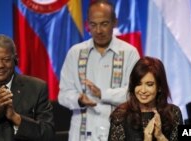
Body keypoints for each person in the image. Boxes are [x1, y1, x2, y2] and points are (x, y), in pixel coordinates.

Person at [58, 0, 140, 141]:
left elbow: (135, 94)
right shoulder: (75, 53)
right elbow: (63, 95)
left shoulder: (130, 53)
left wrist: (103, 94)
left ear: (115, 22)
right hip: (81, 135)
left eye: (104, 24)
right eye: (93, 25)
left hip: (119, 133)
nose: (98, 30)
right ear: (87, 25)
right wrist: (79, 99)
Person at [108, 56, 183, 141]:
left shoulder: (173, 113)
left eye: (149, 84)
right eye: (138, 84)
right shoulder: (120, 115)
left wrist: (160, 136)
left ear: (159, 87)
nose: (143, 90)